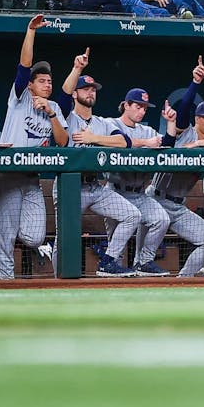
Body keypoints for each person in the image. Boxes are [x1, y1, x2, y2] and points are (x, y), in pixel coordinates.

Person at [0, 15, 69, 280]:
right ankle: (6, 288)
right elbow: (24, 65)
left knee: (35, 236)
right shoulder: (20, 96)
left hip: (32, 178)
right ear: (32, 85)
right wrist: (31, 31)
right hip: (7, 174)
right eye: (43, 81)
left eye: (50, 81)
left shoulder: (54, 107)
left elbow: (63, 142)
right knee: (5, 237)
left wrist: (51, 114)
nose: (48, 84)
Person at [55, 50, 140, 277]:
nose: (91, 92)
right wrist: (77, 69)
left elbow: (125, 142)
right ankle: (56, 281)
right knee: (65, 236)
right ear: (76, 93)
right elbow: (62, 97)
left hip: (96, 186)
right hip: (70, 185)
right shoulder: (66, 117)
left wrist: (94, 139)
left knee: (132, 215)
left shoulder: (101, 123)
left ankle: (108, 262)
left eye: (93, 89)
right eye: (85, 89)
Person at [149, 58, 204, 278]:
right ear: (197, 119)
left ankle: (183, 280)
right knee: (142, 257)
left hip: (178, 206)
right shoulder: (186, 130)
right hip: (154, 199)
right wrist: (195, 82)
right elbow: (185, 106)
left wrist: (200, 143)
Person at [101, 88, 171, 277]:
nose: (141, 111)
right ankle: (110, 292)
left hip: (139, 192)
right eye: (138, 106)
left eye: (144, 108)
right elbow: (119, 141)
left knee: (162, 219)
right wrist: (146, 143)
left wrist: (170, 124)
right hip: (116, 191)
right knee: (117, 251)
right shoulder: (110, 123)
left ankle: (144, 261)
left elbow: (166, 143)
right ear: (126, 105)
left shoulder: (147, 130)